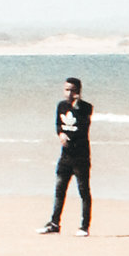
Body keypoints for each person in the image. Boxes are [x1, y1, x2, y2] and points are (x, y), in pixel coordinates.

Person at [42, 76, 93, 234]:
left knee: (83, 191)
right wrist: (60, 135)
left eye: (72, 90)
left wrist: (76, 105)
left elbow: (83, 127)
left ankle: (84, 226)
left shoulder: (86, 107)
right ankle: (54, 223)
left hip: (81, 156)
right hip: (65, 157)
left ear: (78, 92)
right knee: (59, 190)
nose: (69, 93)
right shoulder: (61, 106)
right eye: (67, 90)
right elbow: (58, 124)